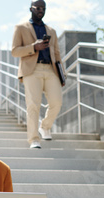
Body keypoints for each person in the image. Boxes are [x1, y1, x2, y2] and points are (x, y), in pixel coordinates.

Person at [12, 0, 65, 149]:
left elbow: (57, 54)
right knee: (33, 105)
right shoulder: (21, 28)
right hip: (31, 70)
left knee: (57, 102)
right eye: (37, 8)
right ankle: (34, 139)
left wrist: (62, 75)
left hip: (51, 70)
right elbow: (15, 51)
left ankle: (45, 126)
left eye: (43, 8)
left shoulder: (51, 30)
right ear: (31, 9)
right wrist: (34, 47)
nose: (40, 10)